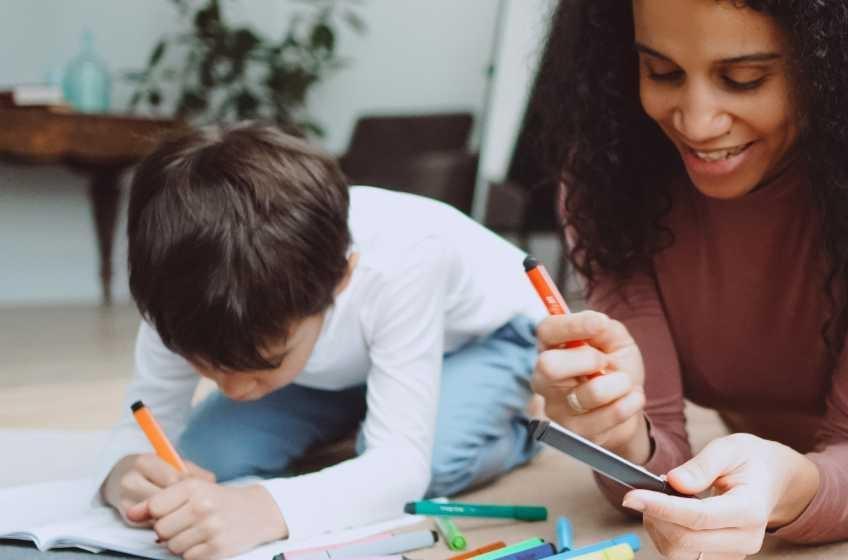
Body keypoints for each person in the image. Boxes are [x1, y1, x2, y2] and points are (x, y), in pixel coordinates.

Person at [525, 0, 848, 557]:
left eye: (743, 79)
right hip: (771, 423)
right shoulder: (609, 169)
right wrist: (619, 433)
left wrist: (786, 486)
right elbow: (655, 468)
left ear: (836, 62)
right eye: (661, 72)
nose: (696, 121)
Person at [96, 124, 545, 558]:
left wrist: (262, 510)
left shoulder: (406, 257)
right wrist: (121, 475)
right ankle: (361, 409)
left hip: (484, 340)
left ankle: (526, 431)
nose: (232, 391)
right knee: (205, 456)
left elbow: (403, 468)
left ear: (341, 280)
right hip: (343, 368)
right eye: (205, 366)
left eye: (264, 363)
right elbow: (142, 423)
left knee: (435, 463)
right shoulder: (180, 280)